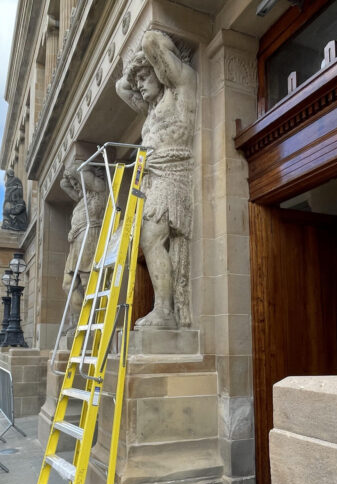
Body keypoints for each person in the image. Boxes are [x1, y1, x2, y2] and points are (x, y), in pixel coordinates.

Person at [116, 29, 197, 328]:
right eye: (137, 80)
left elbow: (150, 39)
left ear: (161, 72)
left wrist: (145, 54)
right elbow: (120, 88)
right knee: (148, 239)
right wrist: (135, 70)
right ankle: (164, 308)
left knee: (151, 238)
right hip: (152, 176)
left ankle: (165, 311)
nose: (138, 84)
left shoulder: (181, 88)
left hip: (173, 171)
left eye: (144, 77)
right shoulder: (151, 108)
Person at [60, 161, 106, 331]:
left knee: (88, 282)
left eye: (76, 182)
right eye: (74, 184)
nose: (74, 186)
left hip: (90, 236)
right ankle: (79, 320)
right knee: (68, 284)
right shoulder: (83, 198)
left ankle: (92, 323)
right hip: (77, 240)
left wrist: (75, 169)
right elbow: (63, 184)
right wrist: (69, 178)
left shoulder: (99, 188)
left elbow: (77, 171)